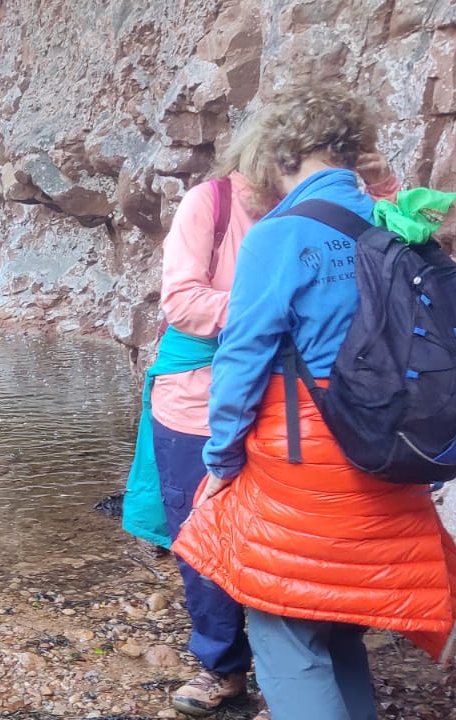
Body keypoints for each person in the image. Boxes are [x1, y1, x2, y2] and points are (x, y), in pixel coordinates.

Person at [171, 82, 456, 720]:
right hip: (394, 454)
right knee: (338, 624)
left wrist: (221, 461)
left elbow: (241, 362)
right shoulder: (395, 222)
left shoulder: (280, 236)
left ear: (280, 155)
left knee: (286, 631)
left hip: (308, 467)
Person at [152, 121, 399, 716]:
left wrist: (282, 302)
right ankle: (222, 665)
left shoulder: (340, 209)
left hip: (299, 421)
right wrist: (275, 303)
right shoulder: (212, 204)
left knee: (295, 583)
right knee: (204, 544)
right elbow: (182, 301)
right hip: (203, 403)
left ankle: (296, 676)